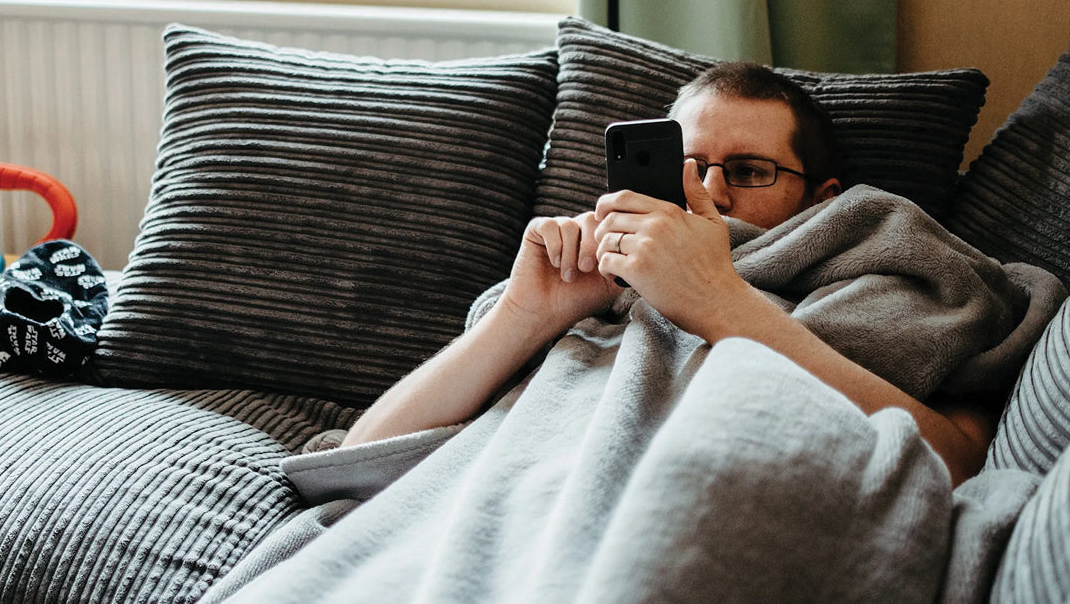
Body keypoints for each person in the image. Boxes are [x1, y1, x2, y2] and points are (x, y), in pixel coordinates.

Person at [342, 61, 994, 487]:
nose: (713, 191)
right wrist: (526, 316)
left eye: (748, 170)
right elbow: (357, 457)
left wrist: (716, 300)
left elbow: (957, 460)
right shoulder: (589, 286)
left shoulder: (880, 267)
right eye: (687, 167)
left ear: (823, 198)